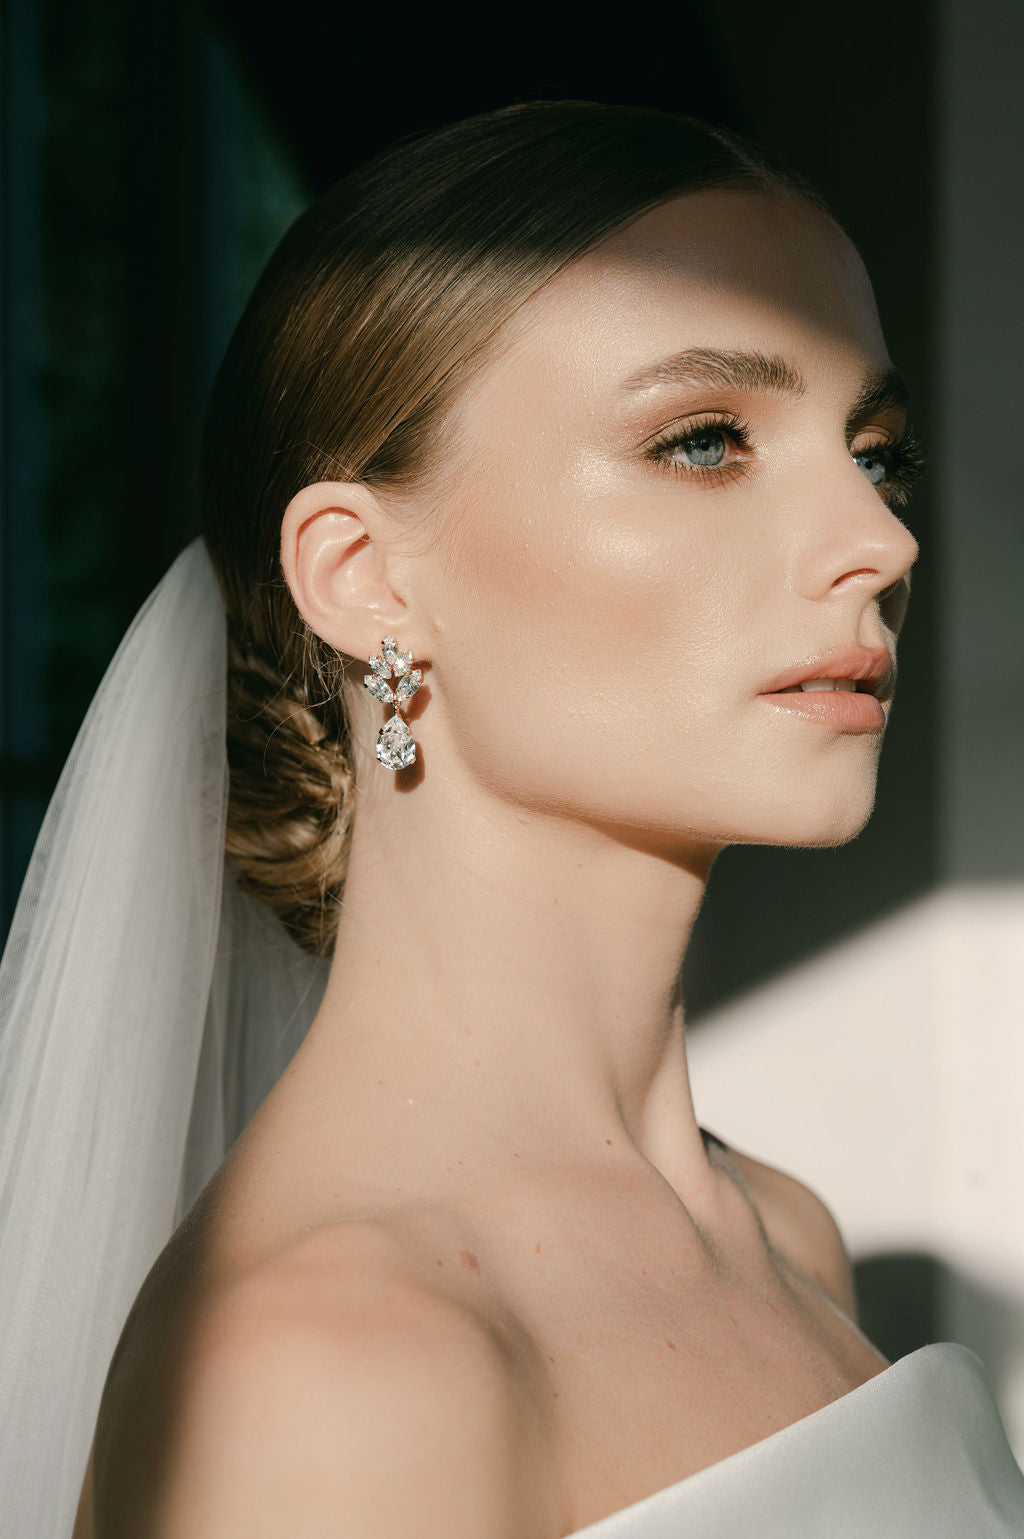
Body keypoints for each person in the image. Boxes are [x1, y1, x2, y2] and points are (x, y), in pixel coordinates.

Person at [2, 99, 1022, 1538]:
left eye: (878, 450)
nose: (882, 539)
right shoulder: (332, 1367)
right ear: (362, 577)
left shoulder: (782, 1238)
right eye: (706, 439)